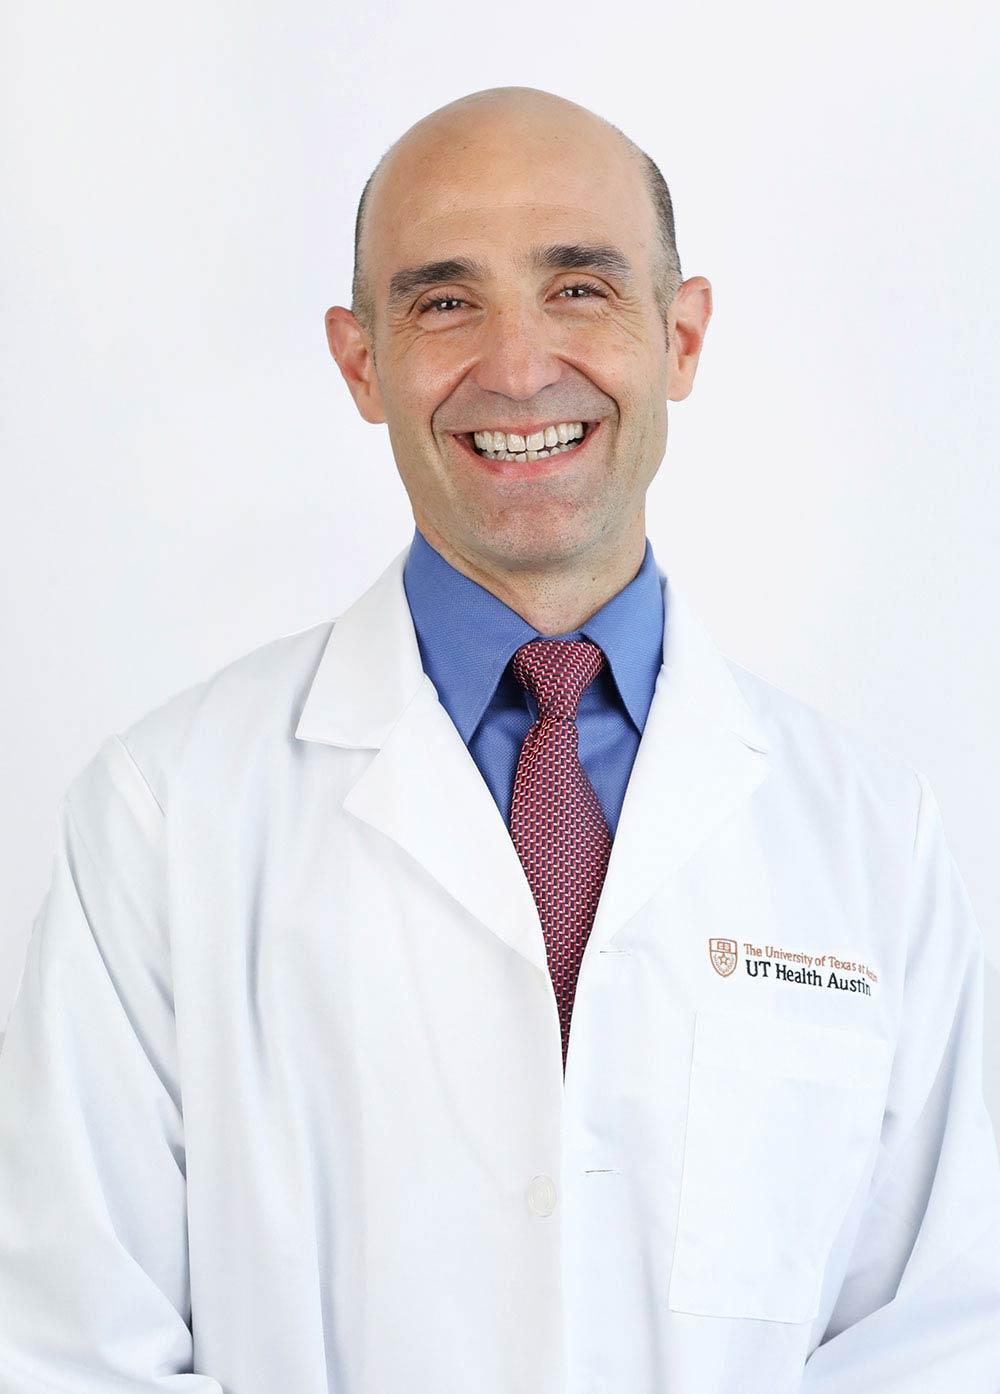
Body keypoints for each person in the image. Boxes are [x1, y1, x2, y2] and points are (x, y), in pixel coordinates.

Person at [1, 84, 998, 1394]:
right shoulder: (160, 817)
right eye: (444, 300)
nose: (520, 366)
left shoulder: (867, 834)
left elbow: (935, 1338)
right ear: (361, 361)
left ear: (681, 335)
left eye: (579, 288)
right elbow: (71, 1349)